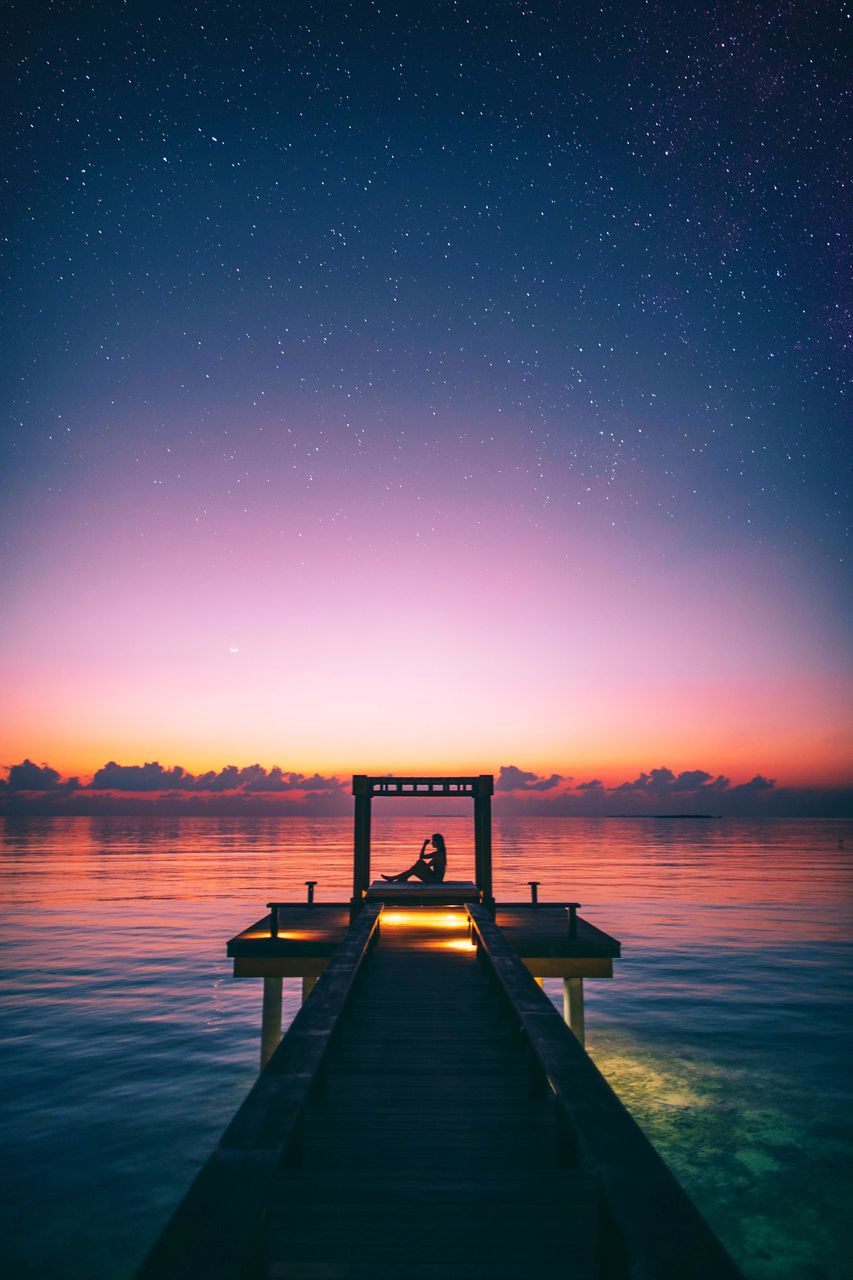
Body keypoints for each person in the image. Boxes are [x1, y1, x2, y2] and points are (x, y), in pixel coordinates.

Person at [382, 833, 447, 883]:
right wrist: (424, 845)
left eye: (433, 841)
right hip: (433, 876)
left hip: (436, 880)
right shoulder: (437, 853)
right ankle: (402, 878)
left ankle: (394, 878)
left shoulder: (439, 855)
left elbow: (426, 867)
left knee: (414, 869)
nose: (432, 843)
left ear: (437, 842)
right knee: (420, 862)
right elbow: (422, 857)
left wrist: (415, 869)